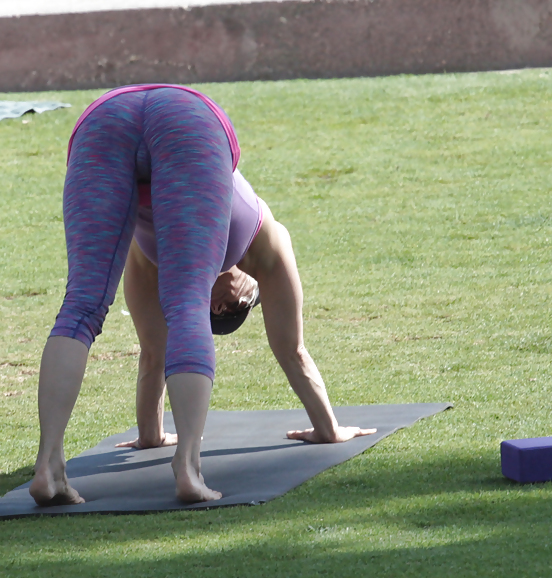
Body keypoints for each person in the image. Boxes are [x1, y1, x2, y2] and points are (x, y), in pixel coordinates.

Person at [29, 84, 376, 507]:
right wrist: (328, 428)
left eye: (224, 307)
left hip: (107, 118)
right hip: (184, 117)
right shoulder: (270, 245)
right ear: (248, 296)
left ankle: (49, 467)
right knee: (180, 304)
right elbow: (293, 350)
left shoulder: (153, 259)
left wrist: (150, 435)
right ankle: (187, 469)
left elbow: (154, 354)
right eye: (239, 303)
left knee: (82, 306)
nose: (228, 297)